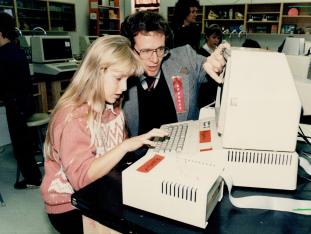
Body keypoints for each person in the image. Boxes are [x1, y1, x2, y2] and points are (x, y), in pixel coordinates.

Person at [40, 35, 169, 234]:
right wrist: (125, 146)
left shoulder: (112, 105)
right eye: (118, 78)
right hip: (69, 205)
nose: (125, 87)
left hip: (99, 188)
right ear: (96, 73)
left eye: (128, 79)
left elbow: (113, 155)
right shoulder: (73, 117)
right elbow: (81, 179)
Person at [120, 11, 227, 144]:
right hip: (140, 158)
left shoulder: (185, 58)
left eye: (160, 49)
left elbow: (208, 66)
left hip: (185, 151)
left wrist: (218, 64)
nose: (155, 59)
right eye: (146, 51)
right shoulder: (118, 78)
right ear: (130, 49)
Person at [0, 12, 42, 189]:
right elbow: (7, 78)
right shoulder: (17, 51)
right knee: (25, 142)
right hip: (26, 103)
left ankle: (33, 179)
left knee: (20, 146)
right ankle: (34, 175)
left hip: (15, 106)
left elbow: (1, 86)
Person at [198, 24, 223, 108]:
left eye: (218, 38)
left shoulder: (217, 51)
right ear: (207, 37)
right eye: (214, 37)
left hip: (214, 88)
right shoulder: (201, 53)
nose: (216, 40)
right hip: (204, 89)